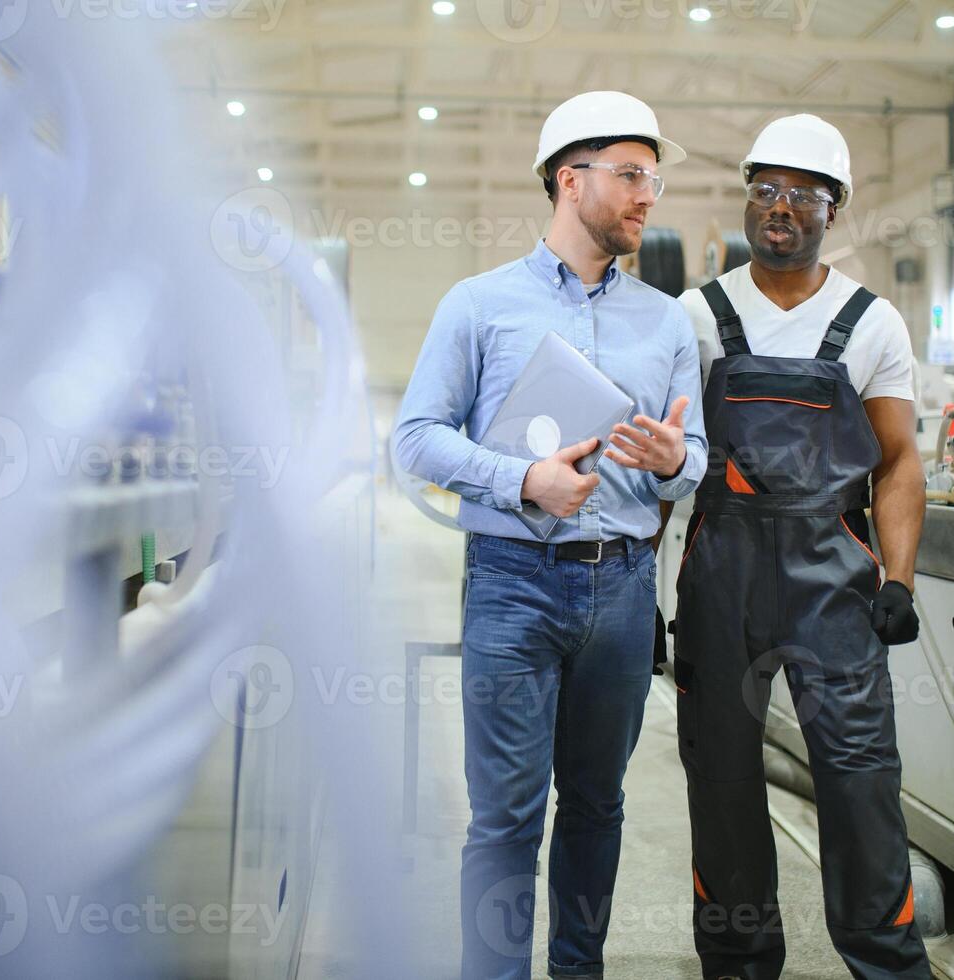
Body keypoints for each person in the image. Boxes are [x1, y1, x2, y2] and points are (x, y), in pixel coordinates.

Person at [393, 90, 708, 980]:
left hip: (621, 589)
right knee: (504, 818)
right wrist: (521, 479)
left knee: (597, 808)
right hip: (511, 581)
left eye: (653, 178)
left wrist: (670, 457)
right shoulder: (478, 304)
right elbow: (414, 437)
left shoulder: (664, 320)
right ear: (571, 181)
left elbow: (697, 464)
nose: (649, 195)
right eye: (631, 175)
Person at [673, 113, 930, 979]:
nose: (779, 207)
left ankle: (886, 962)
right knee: (722, 779)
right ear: (748, 200)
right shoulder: (696, 317)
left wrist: (897, 581)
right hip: (721, 572)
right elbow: (655, 457)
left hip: (834, 579)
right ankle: (738, 966)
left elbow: (897, 465)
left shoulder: (870, 323)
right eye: (765, 191)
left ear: (834, 208)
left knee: (858, 780)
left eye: (801, 194)